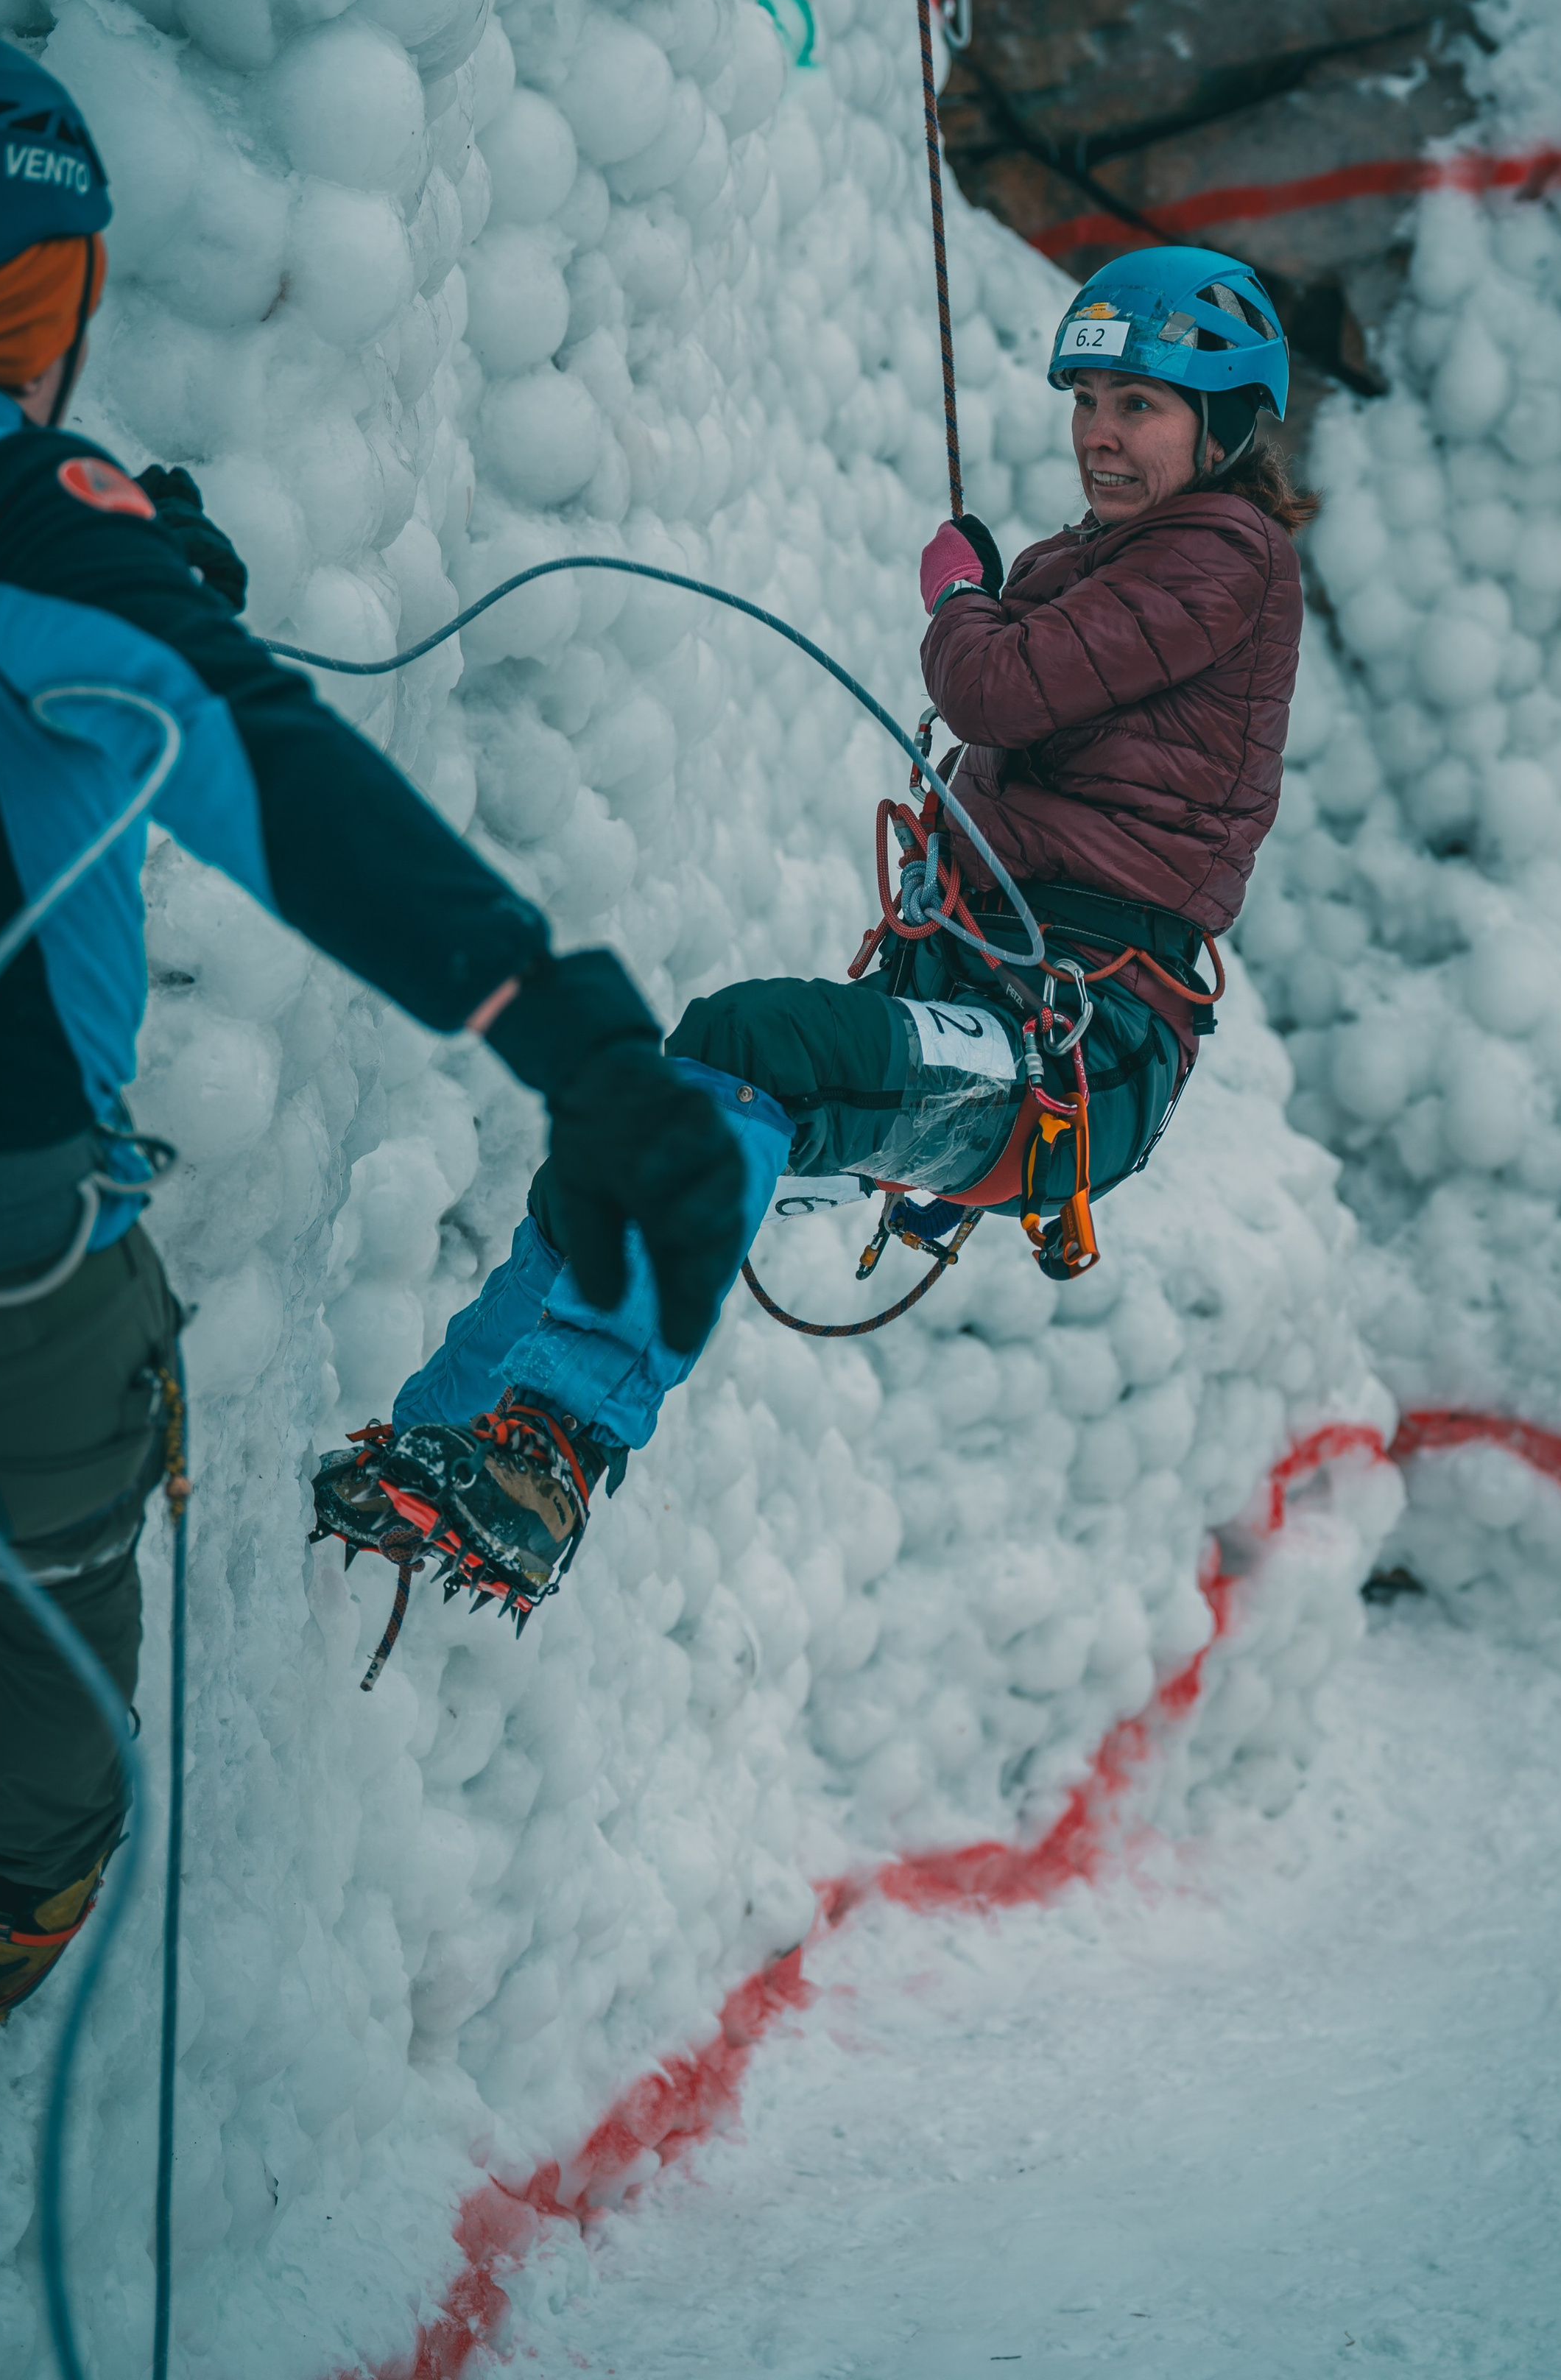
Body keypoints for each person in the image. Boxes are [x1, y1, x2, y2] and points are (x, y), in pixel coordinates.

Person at [0, 33, 750, 2032]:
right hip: (1, 1247)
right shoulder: (24, 518)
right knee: (39, 1774)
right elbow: (275, 770)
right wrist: (569, 1027)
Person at [314, 248, 1314, 1633]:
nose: (1098, 430)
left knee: (745, 1044)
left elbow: (1001, 690)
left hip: (1074, 1045)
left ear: (1223, 425)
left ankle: (549, 1450)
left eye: (1140, 403)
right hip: (1010, 1012)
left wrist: (964, 595)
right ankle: (447, 1441)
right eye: (1087, 397)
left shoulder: (1228, 554)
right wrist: (1007, 587)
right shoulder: (1105, 564)